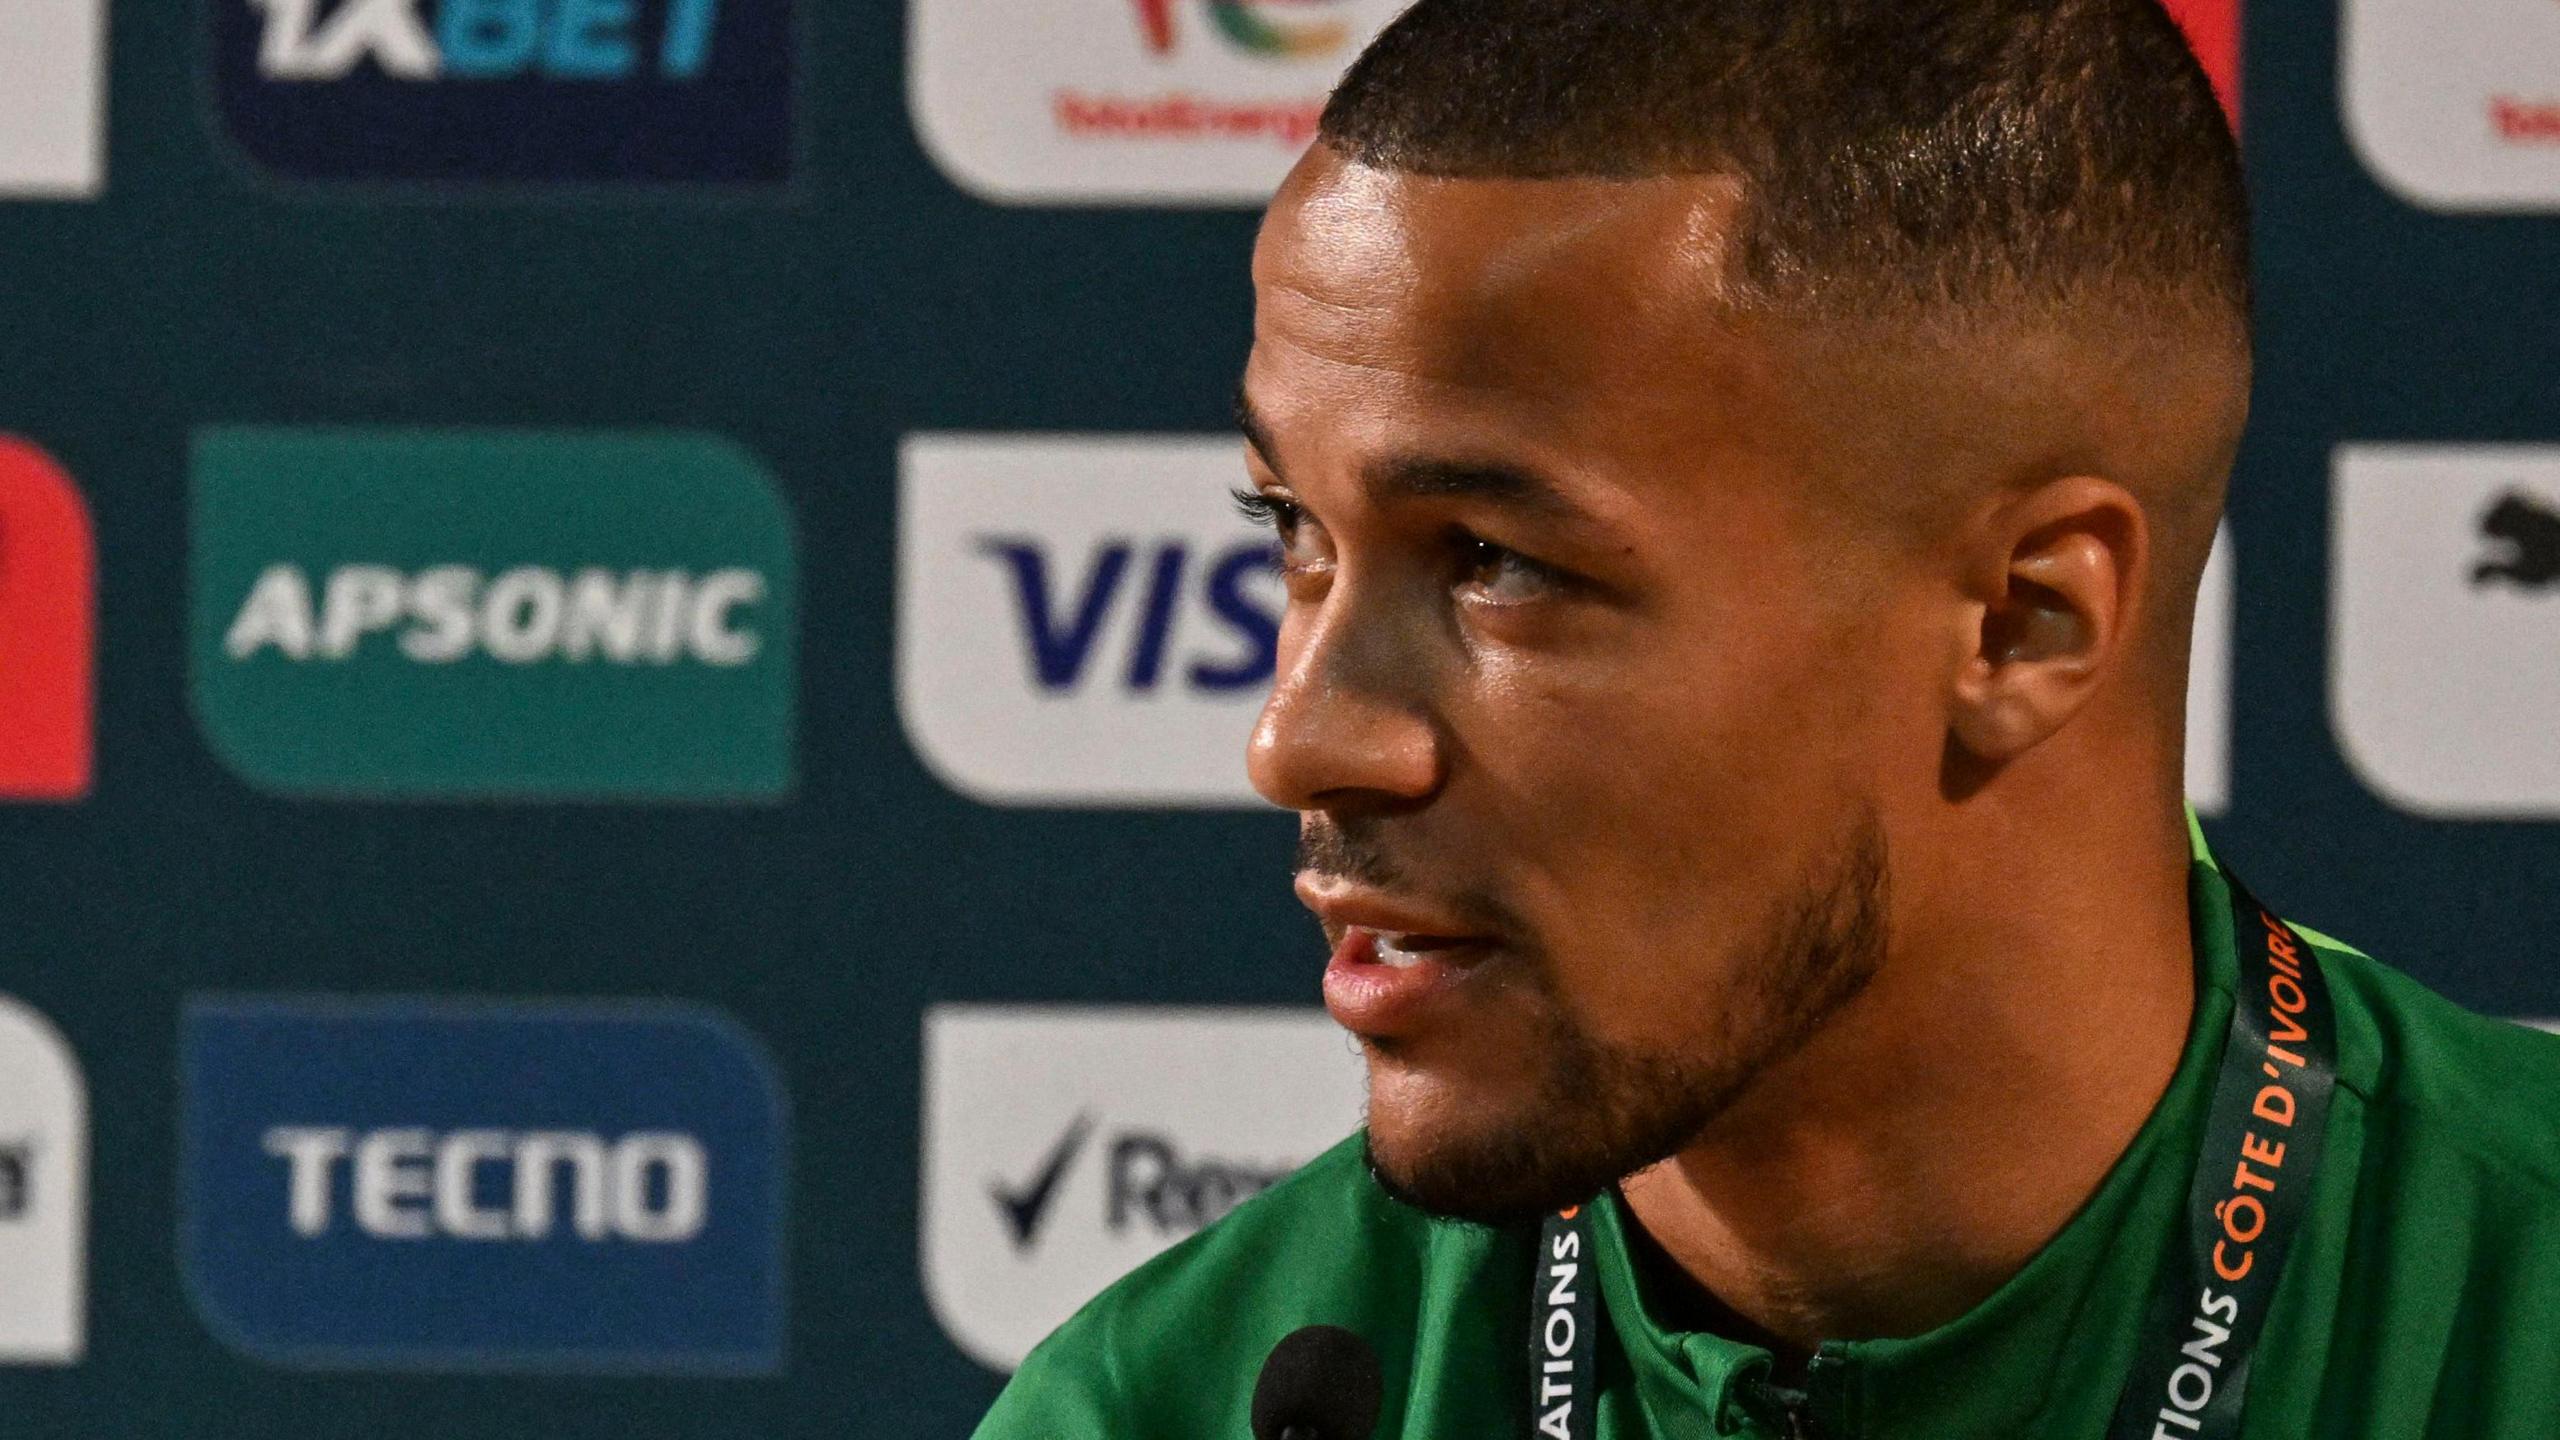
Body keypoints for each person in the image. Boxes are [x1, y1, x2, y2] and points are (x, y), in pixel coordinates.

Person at [974, 1, 2560, 1436]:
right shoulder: (1171, 1405)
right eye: (1289, 531)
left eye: (1498, 564)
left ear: (2026, 620)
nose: (1299, 741)